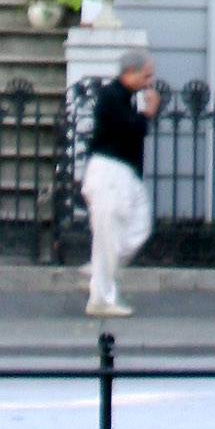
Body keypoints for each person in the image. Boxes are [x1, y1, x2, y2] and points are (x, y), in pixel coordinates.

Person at [82, 48, 160, 319]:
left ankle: (100, 269)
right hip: (109, 172)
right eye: (146, 75)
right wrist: (148, 113)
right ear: (130, 73)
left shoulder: (124, 97)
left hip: (123, 172)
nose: (149, 81)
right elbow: (129, 130)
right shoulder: (112, 97)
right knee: (110, 234)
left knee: (139, 225)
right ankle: (102, 298)